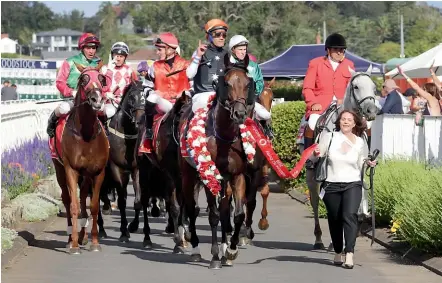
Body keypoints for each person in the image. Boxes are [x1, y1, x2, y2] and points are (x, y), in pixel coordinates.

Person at [309, 110, 376, 269]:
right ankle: (338, 251)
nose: (346, 122)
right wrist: (317, 152)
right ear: (339, 122)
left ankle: (350, 253)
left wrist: (369, 163)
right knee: (335, 219)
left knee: (349, 215)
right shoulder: (330, 137)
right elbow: (317, 153)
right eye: (343, 119)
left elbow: (363, 160)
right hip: (331, 184)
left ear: (354, 124)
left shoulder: (360, 141)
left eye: (349, 120)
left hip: (352, 183)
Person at [302, 33, 355, 151]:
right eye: (336, 49)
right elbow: (307, 88)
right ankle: (309, 157)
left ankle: (366, 157)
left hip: (342, 106)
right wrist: (313, 103)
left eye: (342, 50)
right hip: (320, 106)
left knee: (364, 123)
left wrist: (345, 100)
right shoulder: (315, 63)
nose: (339, 52)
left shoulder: (349, 65)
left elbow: (351, 89)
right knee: (312, 123)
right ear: (328, 50)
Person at [47, 33, 102, 138]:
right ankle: (51, 124)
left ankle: (106, 136)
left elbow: (103, 83)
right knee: (64, 109)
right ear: (82, 48)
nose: (91, 51)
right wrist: (70, 92)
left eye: (94, 48)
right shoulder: (70, 62)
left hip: (93, 100)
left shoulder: (98, 64)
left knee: (105, 111)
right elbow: (59, 82)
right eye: (88, 48)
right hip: (72, 99)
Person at [144, 32, 192, 139]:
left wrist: (185, 94)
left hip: (183, 105)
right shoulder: (154, 66)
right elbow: (146, 87)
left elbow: (195, 88)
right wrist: (153, 92)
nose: (157, 52)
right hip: (165, 105)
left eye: (160, 49)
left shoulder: (186, 65)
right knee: (152, 97)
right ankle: (148, 131)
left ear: (170, 50)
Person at [228, 34, 273, 136]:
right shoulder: (227, 64)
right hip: (231, 102)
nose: (243, 52)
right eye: (240, 49)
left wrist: (251, 93)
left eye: (244, 49)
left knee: (266, 115)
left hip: (249, 101)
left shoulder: (253, 66)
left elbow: (260, 83)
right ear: (233, 50)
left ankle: (267, 133)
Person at [186, 19, 229, 112]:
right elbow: (189, 74)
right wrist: (198, 56)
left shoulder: (228, 55)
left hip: (222, 95)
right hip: (202, 95)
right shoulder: (200, 51)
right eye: (218, 34)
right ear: (209, 36)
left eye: (224, 35)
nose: (221, 37)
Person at [99, 41, 138, 129]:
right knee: (109, 112)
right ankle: (104, 133)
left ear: (125, 57)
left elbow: (136, 88)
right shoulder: (105, 69)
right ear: (112, 56)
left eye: (121, 56)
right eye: (116, 56)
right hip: (109, 102)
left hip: (127, 103)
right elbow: (98, 88)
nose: (118, 59)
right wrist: (105, 94)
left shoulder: (130, 70)